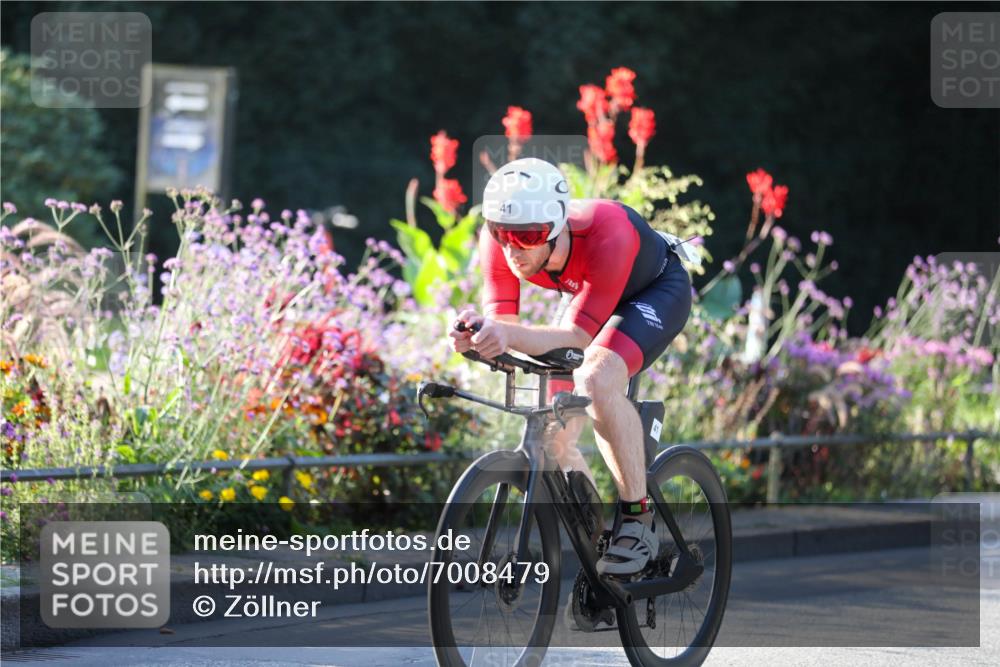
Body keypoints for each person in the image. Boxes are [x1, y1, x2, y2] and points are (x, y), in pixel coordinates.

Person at [449, 157, 693, 577]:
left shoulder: (607, 231)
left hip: (653, 292)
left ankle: (638, 518)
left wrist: (506, 336)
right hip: (591, 296)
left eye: (528, 236)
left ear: (557, 226)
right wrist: (476, 336)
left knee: (597, 378)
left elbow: (578, 341)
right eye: (501, 234)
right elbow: (507, 328)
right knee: (555, 435)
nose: (512, 249)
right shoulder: (503, 240)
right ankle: (599, 546)